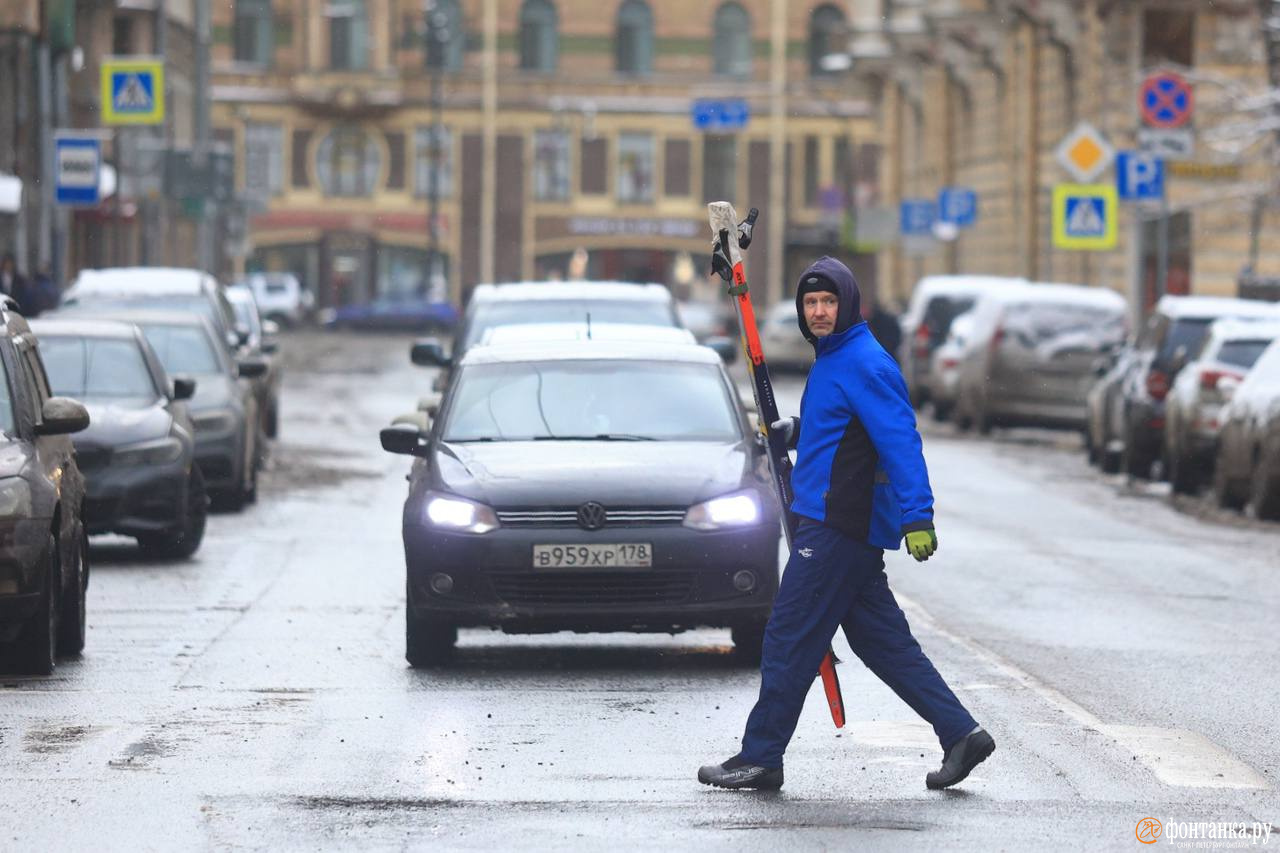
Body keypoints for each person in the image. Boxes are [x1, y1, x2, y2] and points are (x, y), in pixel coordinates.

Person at [697, 256, 994, 792]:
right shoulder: (835, 359)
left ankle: (761, 755)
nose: (818, 312)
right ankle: (961, 734)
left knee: (788, 636)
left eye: (828, 301)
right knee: (883, 643)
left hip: (835, 528)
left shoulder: (865, 362)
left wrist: (917, 515)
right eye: (810, 303)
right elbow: (844, 428)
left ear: (848, 304)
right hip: (836, 528)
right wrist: (799, 429)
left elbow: (899, 439)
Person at [865, 299, 903, 364]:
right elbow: (897, 337)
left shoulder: (874, 321)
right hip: (890, 354)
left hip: (880, 352)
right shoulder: (891, 321)